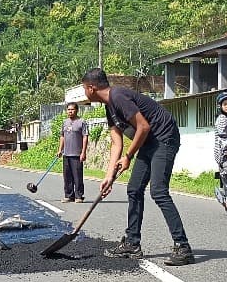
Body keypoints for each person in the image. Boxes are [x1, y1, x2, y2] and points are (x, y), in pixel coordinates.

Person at [82, 68, 194, 266]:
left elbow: (143, 126)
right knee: (134, 189)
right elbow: (116, 143)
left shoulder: (118, 97)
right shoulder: (110, 107)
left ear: (91, 88)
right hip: (148, 142)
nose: (84, 92)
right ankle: (132, 243)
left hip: (164, 138)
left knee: (158, 191)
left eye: (84, 88)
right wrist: (109, 176)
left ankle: (183, 246)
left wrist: (128, 156)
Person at [57, 102, 89, 202]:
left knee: (77, 176)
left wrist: (83, 152)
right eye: (68, 109)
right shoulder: (65, 122)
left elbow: (85, 137)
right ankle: (69, 195)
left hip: (77, 154)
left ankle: (79, 196)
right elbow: (62, 136)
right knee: (67, 176)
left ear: (76, 110)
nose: (70, 111)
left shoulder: (81, 122)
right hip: (66, 154)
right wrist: (60, 150)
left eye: (72, 109)